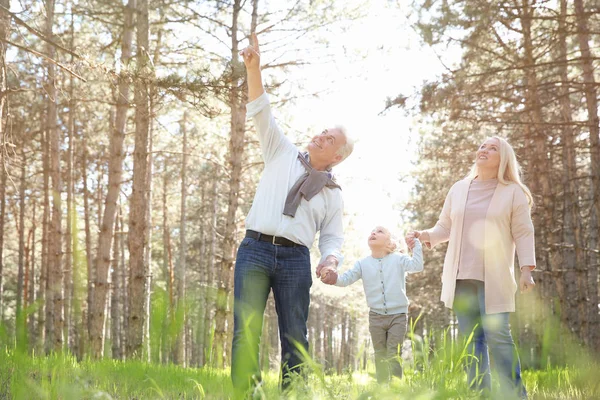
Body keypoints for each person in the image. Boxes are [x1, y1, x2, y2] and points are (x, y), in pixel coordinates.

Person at [231, 33, 354, 397]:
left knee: (295, 334)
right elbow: (260, 109)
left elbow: (332, 236)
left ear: (338, 157)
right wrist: (254, 69)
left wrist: (330, 258)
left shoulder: (332, 195)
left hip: (295, 259)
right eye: (321, 133)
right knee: (246, 328)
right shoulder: (280, 151)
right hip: (254, 249)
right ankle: (247, 393)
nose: (320, 137)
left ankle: (291, 394)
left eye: (329, 139)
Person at [407, 136, 535, 398]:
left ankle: (515, 394)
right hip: (460, 276)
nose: (484, 150)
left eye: (493, 148)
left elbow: (523, 232)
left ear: (503, 159)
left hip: (495, 277)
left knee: (498, 338)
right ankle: (480, 394)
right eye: (482, 146)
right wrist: (424, 235)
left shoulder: (513, 192)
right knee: (471, 342)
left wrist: (526, 270)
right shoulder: (459, 188)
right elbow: (445, 227)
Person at [322, 226, 423, 383]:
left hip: (398, 316)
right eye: (372, 231)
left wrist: (416, 245)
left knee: (393, 353)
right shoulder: (362, 264)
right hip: (375, 316)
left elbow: (417, 265)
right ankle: (382, 389)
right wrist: (334, 278)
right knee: (380, 354)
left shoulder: (398, 259)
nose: (373, 233)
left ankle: (396, 389)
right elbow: (345, 279)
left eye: (380, 231)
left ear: (389, 242)